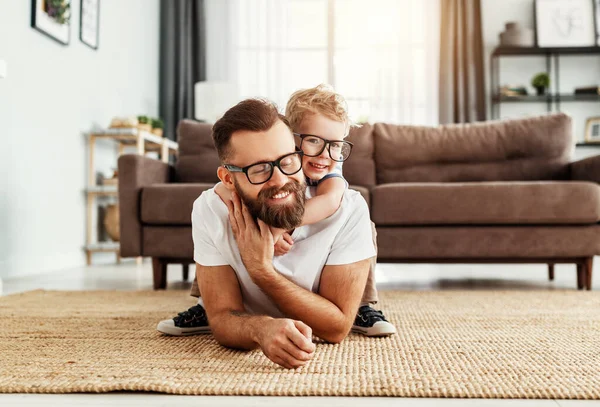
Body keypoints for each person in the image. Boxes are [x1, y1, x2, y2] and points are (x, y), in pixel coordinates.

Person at [157, 98, 379, 369]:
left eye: (287, 162)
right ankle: (202, 305)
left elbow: (335, 329)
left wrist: (261, 270)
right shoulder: (212, 207)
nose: (279, 181)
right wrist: (260, 328)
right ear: (228, 179)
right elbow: (224, 319)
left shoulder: (347, 205)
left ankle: (364, 307)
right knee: (211, 298)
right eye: (259, 169)